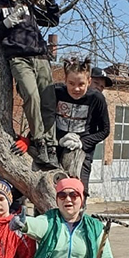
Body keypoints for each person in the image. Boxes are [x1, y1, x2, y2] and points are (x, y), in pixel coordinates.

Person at [0, 0, 60, 169]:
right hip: (19, 58)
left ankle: (51, 146)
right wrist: (5, 24)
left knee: (48, 101)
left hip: (41, 57)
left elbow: (52, 20)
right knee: (31, 96)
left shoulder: (27, 5)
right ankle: (39, 140)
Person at [52, 57, 110, 195]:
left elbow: (105, 130)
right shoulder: (56, 91)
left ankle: (78, 213)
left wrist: (82, 142)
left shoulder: (97, 99)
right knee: (50, 187)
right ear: (65, 80)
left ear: (88, 82)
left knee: (79, 191)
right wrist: (57, 138)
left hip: (82, 149)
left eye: (81, 84)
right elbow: (43, 118)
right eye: (71, 83)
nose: (76, 88)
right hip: (56, 145)